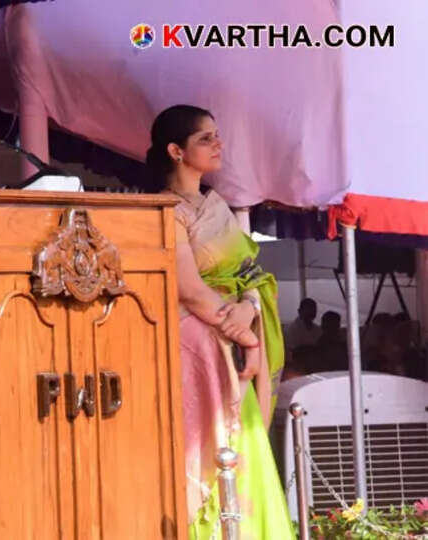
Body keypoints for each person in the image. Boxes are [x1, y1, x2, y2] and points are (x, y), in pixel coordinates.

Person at [146, 105, 292, 539]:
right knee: (213, 447)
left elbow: (249, 272)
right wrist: (243, 332)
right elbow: (188, 289)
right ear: (176, 150)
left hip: (232, 334)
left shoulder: (216, 205)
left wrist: (250, 307)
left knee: (244, 444)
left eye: (216, 135)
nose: (218, 144)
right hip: (198, 343)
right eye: (205, 138)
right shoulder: (165, 212)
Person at [283, 298, 321, 362]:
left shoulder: (318, 330)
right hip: (297, 364)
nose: (311, 312)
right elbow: (294, 351)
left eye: (313, 310)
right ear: (300, 311)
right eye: (308, 310)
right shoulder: (291, 329)